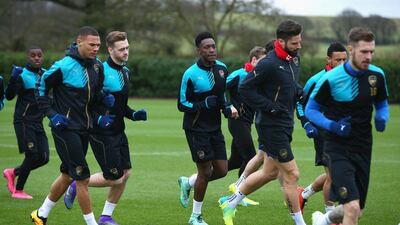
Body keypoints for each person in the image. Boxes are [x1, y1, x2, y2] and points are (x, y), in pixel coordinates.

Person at [219, 19, 307, 225]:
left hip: (286, 123)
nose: (299, 46)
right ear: (281, 41)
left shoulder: (294, 59)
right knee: (292, 174)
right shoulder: (268, 63)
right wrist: (269, 106)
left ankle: (230, 203)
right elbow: (245, 88)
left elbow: (289, 84)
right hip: (271, 126)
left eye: (299, 41)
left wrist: (298, 91)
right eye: (294, 43)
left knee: (269, 172)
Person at [30, 26, 114, 225]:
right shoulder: (62, 66)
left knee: (68, 175)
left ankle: (40, 214)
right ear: (79, 42)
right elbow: (40, 89)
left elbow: (94, 96)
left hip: (85, 128)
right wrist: (52, 115)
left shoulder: (97, 67)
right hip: (64, 129)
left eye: (98, 45)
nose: (96, 48)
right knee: (82, 177)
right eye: (92, 44)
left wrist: (103, 102)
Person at [306, 27, 389, 225]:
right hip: (337, 147)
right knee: (351, 207)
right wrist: (332, 126)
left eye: (371, 52)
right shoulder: (331, 78)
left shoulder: (377, 75)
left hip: (363, 146)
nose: (368, 56)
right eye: (364, 52)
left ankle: (323, 220)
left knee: (356, 209)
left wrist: (382, 117)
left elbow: (382, 102)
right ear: (351, 50)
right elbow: (311, 110)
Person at [63, 31, 147, 225]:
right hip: (101, 132)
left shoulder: (125, 71)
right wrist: (98, 118)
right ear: (110, 50)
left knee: (126, 174)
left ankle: (106, 217)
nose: (126, 52)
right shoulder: (98, 69)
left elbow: (120, 106)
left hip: (118, 130)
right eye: (122, 49)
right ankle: (77, 183)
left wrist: (133, 114)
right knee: (114, 178)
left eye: (127, 47)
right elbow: (87, 101)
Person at [177, 31, 238, 225]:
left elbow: (222, 97)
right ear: (198, 50)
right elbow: (182, 104)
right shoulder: (190, 74)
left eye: (213, 46)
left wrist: (227, 108)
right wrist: (202, 105)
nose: (212, 50)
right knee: (205, 171)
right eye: (207, 47)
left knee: (221, 170)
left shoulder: (222, 69)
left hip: (215, 128)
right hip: (196, 129)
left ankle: (189, 182)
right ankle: (195, 216)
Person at [297, 42, 347, 214]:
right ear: (328, 59)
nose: (342, 63)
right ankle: (329, 215)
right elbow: (299, 102)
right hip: (322, 133)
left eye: (344, 60)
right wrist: (306, 123)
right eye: (337, 60)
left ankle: (303, 194)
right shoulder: (316, 80)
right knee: (333, 177)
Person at [3, 46, 49, 199]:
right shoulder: (22, 75)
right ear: (27, 58)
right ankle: (18, 191)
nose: (36, 58)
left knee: (43, 157)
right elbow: (9, 96)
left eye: (39, 55)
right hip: (23, 121)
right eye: (33, 55)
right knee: (31, 155)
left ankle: (13, 172)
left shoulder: (45, 74)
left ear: (42, 57)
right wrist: (13, 79)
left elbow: (48, 97)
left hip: (38, 122)